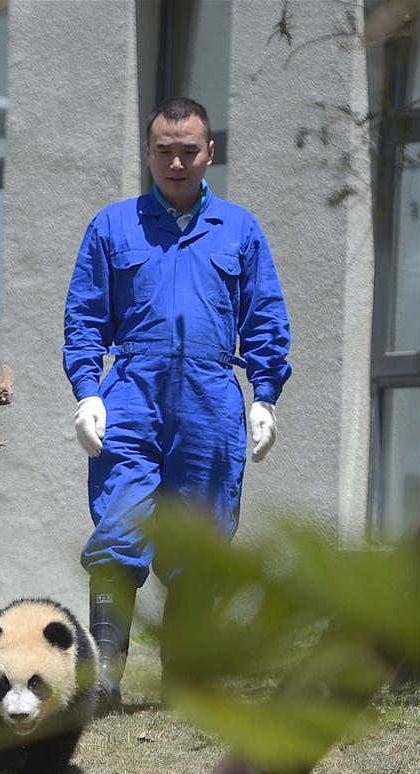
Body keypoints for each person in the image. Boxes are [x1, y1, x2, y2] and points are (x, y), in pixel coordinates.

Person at [63, 97, 291, 711]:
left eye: (188, 150)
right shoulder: (113, 226)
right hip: (131, 393)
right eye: (164, 150)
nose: (176, 161)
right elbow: (84, 316)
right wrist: (87, 390)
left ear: (209, 152)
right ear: (147, 152)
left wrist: (264, 396)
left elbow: (265, 316)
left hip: (212, 398)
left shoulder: (240, 230)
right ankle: (106, 678)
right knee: (120, 526)